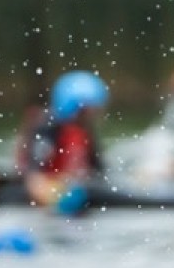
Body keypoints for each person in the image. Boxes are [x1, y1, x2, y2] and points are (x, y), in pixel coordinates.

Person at [17, 70, 108, 213]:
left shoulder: (85, 130)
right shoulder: (47, 127)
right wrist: (57, 196)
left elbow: (100, 172)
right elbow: (34, 177)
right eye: (89, 109)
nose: (94, 114)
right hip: (52, 198)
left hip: (75, 189)